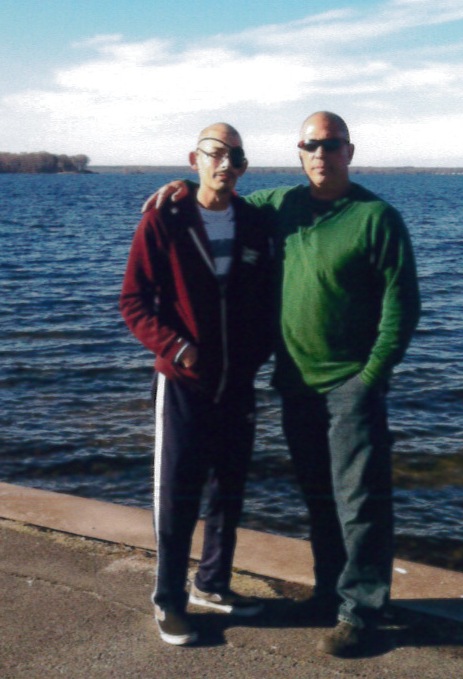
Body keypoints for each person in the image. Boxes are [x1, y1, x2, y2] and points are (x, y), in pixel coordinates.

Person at [143, 111, 420, 656]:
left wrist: (371, 377)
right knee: (319, 497)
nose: (321, 153)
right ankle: (328, 594)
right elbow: (222, 194)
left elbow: (402, 309)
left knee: (360, 502)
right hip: (295, 383)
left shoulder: (377, 218)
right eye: (310, 145)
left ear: (349, 151)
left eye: (331, 144)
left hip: (350, 384)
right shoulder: (281, 205)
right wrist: (185, 186)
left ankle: (361, 612)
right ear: (300, 152)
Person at [120, 123, 272, 646]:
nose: (226, 164)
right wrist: (178, 348)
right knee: (177, 493)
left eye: (237, 157)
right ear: (194, 159)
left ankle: (212, 583)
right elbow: (133, 302)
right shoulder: (165, 219)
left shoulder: (254, 221)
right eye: (215, 153)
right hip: (183, 382)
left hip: (238, 381)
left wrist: (256, 353)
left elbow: (264, 296)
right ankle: (168, 599)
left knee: (229, 488)